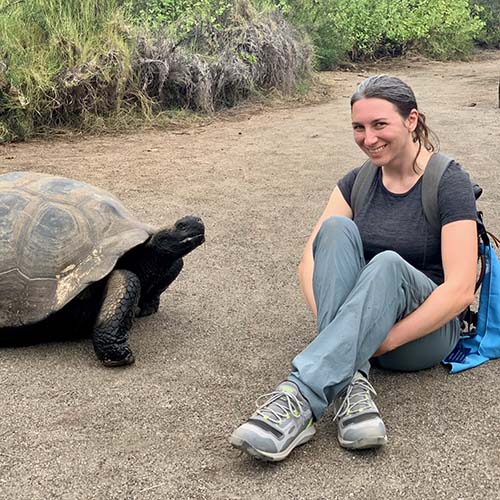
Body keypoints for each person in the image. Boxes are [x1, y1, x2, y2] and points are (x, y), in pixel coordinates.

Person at [229, 75, 479, 462]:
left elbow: (460, 290)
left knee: (387, 264)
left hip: (421, 333)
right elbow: (308, 264)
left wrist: (380, 339)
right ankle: (352, 387)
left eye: (380, 125)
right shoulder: (356, 181)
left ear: (411, 120)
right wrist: (344, 333)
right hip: (363, 328)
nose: (368, 138)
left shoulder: (448, 181)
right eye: (358, 128)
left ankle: (299, 398)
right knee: (334, 229)